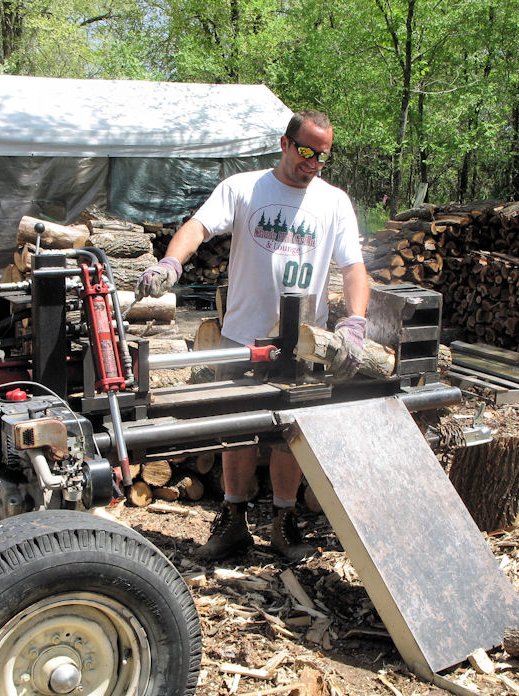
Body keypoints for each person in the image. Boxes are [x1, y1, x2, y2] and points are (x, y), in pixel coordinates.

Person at [135, 109, 370, 561]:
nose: (313, 163)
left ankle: (284, 522)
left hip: (302, 339)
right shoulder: (244, 188)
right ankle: (232, 522)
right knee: (236, 431)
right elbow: (197, 228)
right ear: (285, 144)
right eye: (306, 152)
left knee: (290, 434)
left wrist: (355, 318)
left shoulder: (334, 202)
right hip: (243, 335)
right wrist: (172, 262)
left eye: (323, 156)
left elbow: (353, 267)